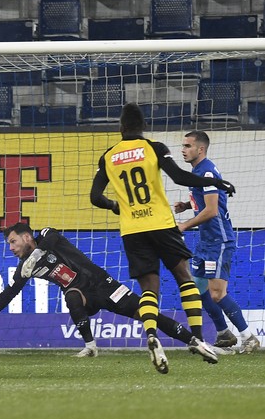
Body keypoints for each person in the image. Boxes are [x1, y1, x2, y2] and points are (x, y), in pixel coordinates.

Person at [0, 223, 218, 373]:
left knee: (146, 313)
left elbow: (51, 238)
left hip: (103, 285)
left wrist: (34, 255)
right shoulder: (24, 267)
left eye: (13, 241)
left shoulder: (46, 234)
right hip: (81, 294)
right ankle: (90, 347)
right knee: (72, 297)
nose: (11, 248)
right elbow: (8, 295)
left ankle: (193, 340)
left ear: (27, 237)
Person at [89, 102, 236, 358]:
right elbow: (180, 177)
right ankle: (198, 339)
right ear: (143, 126)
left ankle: (152, 336)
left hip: (132, 229)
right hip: (160, 223)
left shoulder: (109, 156)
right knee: (183, 277)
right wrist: (214, 181)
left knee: (148, 289)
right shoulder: (154, 148)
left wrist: (115, 206)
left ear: (121, 127)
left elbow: (94, 197)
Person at [175, 131, 259, 354]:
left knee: (217, 293)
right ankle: (224, 334)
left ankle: (248, 337)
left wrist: (184, 224)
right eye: (183, 145)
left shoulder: (207, 171)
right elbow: (206, 202)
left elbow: (212, 211)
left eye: (187, 146)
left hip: (219, 242)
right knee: (199, 288)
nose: (183, 149)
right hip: (206, 242)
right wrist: (187, 204)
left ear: (200, 149)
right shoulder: (198, 172)